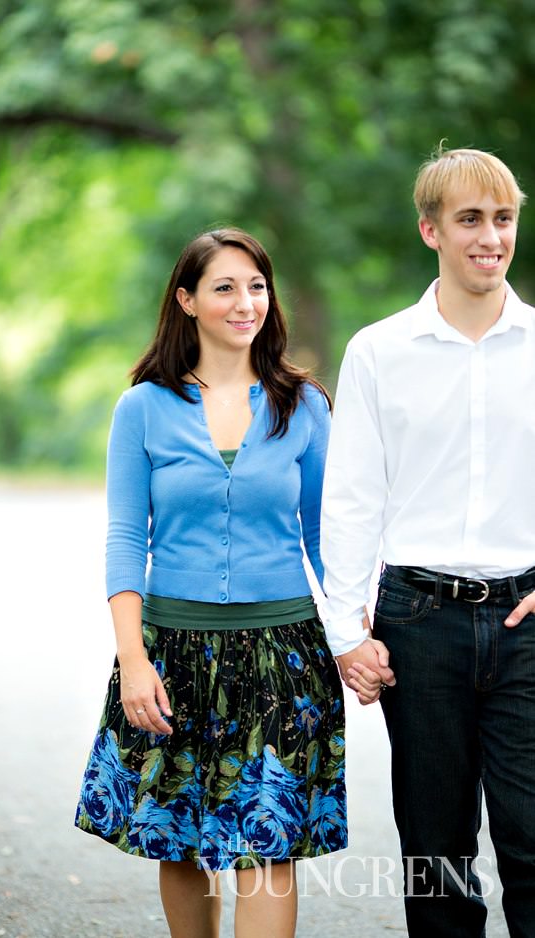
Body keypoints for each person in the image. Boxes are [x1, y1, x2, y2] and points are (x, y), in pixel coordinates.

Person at [75, 229, 352, 938]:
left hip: (282, 656)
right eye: (225, 287)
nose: (245, 303)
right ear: (187, 300)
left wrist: (358, 632)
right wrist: (133, 661)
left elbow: (326, 538)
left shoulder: (304, 406)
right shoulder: (142, 408)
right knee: (180, 838)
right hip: (174, 653)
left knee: (271, 844)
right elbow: (125, 539)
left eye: (256, 286)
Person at [322, 146, 535, 937]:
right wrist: (348, 633)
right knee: (437, 853)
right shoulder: (380, 351)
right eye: (470, 219)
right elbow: (351, 501)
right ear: (431, 231)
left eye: (504, 218)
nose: (490, 237)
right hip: (420, 622)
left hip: (527, 619)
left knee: (532, 840)